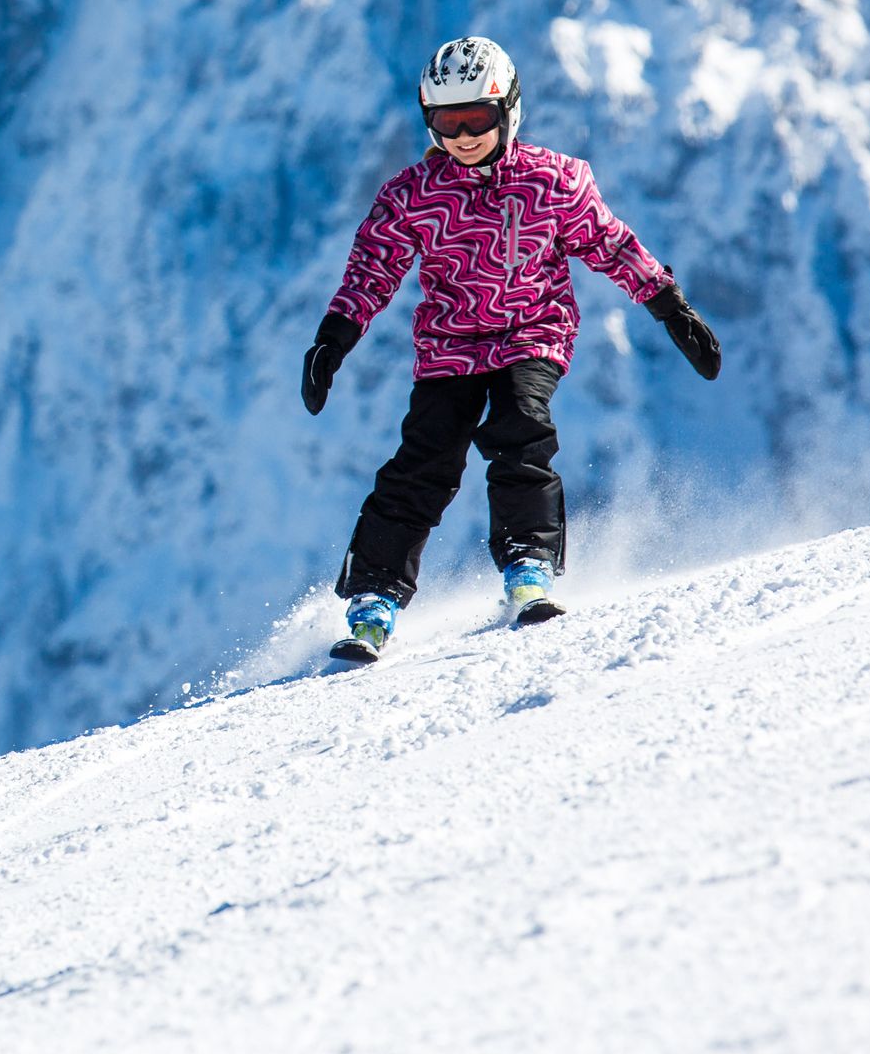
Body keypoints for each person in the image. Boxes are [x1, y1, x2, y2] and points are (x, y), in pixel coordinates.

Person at [300, 37, 721, 661]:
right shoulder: (413, 194)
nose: (464, 137)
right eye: (447, 123)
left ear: (508, 112)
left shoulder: (553, 181)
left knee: (520, 427)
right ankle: (373, 599)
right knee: (427, 457)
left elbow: (610, 245)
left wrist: (669, 305)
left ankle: (528, 566)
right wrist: (333, 339)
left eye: (477, 119)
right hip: (450, 345)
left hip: (532, 332)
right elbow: (373, 269)